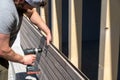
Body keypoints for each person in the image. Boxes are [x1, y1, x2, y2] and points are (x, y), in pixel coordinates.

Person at [0, 0, 52, 80]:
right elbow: (2, 50)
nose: (31, 9)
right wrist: (23, 59)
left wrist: (47, 31)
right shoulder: (6, 11)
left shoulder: (18, 5)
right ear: (21, 1)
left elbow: (31, 13)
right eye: (30, 6)